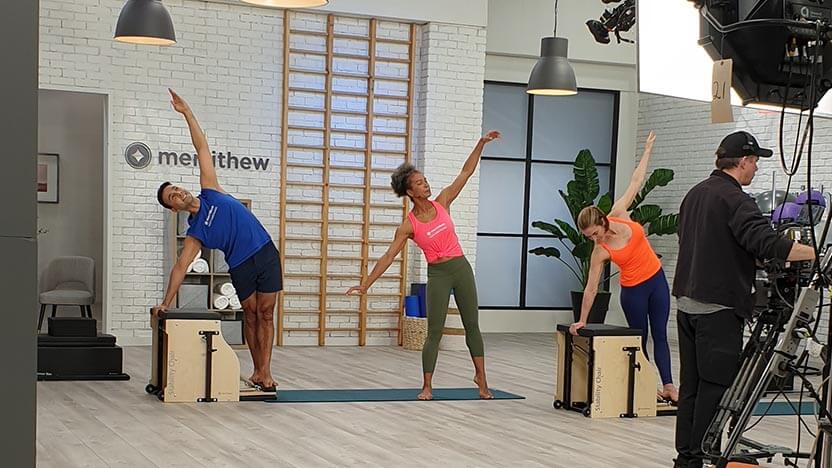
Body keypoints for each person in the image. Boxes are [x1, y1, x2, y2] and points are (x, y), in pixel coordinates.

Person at [671, 130, 816, 468]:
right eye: (754, 163)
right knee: (715, 387)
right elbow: (768, 244)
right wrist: (816, 254)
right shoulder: (736, 200)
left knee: (691, 385)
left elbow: (709, 242)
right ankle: (705, 454)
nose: (755, 171)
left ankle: (687, 457)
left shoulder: (695, 194)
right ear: (745, 161)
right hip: (718, 308)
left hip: (688, 303)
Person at [346, 130, 501, 400]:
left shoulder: (443, 201)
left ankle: (482, 379)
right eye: (419, 182)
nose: (425, 184)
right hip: (439, 274)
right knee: (434, 332)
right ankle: (427, 386)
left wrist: (481, 144)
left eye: (425, 180)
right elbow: (387, 256)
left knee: (472, 325)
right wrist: (365, 284)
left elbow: (465, 173)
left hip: (461, 268)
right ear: (409, 191)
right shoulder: (409, 225)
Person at [152, 89, 283, 392]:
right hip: (240, 264)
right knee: (250, 315)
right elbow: (181, 267)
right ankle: (258, 370)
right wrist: (165, 303)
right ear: (174, 207)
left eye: (177, 188)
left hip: (264, 252)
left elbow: (202, 148)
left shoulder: (210, 189)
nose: (179, 193)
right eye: (173, 196)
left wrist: (187, 113)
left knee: (266, 312)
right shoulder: (196, 232)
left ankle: (265, 371)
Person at [569, 131, 678, 403]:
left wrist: (648, 150)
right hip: (634, 292)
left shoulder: (619, 213)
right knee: (639, 339)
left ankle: (669, 385)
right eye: (589, 237)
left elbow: (636, 181)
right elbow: (592, 287)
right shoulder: (599, 252)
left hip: (656, 281)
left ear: (603, 221)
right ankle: (646, 383)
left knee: (661, 335)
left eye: (595, 233)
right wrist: (583, 319)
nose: (594, 239)